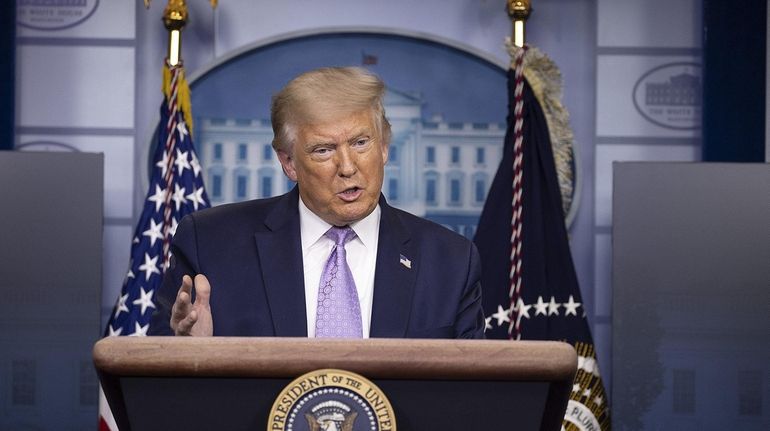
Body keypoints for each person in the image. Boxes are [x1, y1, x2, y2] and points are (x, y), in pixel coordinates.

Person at [149, 67, 485, 339]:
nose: (348, 167)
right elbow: (154, 391)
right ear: (289, 163)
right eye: (323, 150)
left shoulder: (451, 260)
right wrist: (190, 356)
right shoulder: (210, 244)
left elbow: (472, 398)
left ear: (384, 146)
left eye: (361, 142)